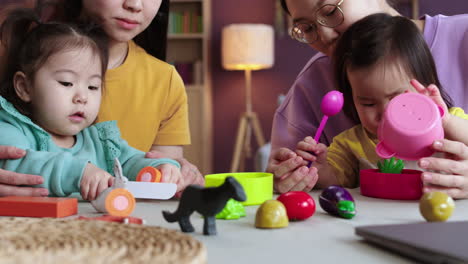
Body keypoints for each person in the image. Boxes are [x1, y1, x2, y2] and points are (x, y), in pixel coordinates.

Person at [0, 0, 204, 197]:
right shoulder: (12, 126)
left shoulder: (98, 139)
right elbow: (20, 161)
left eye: (93, 87)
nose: (82, 97)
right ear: (24, 87)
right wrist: (80, 173)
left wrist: (162, 168)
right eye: (66, 83)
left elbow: (131, 161)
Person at [268, 0, 468, 194]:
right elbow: (315, 177)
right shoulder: (349, 136)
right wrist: (296, 174)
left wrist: (447, 121)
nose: (325, 35)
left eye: (330, 12)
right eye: (307, 28)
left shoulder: (449, 119)